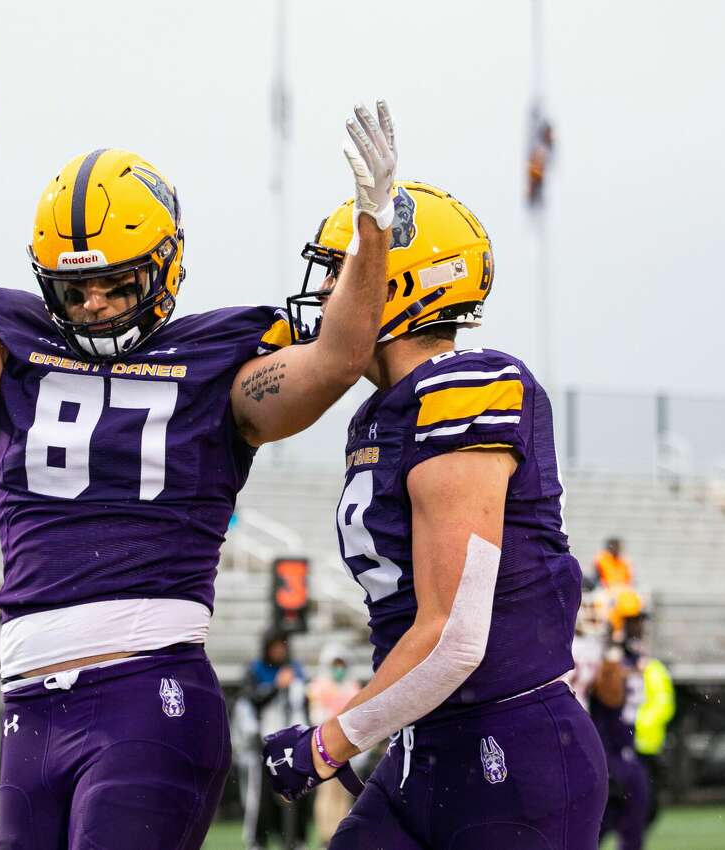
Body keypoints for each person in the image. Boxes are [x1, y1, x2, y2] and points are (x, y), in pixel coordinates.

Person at [0, 18, 398, 848]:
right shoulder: (12, 354)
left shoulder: (216, 365)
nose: (94, 307)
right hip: (30, 714)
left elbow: (337, 358)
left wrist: (373, 227)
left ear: (165, 263)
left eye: (116, 286)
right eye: (74, 291)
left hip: (148, 696)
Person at [263, 186, 608, 849]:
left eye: (344, 269)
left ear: (402, 286)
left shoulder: (464, 387)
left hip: (510, 748)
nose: (331, 289)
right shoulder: (383, 411)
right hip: (423, 749)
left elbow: (456, 634)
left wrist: (326, 744)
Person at [593, 589, 652, 850]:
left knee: (633, 829)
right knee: (595, 830)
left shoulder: (633, 658)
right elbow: (608, 701)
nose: (640, 627)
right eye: (634, 620)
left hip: (628, 753)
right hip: (610, 753)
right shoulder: (608, 660)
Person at [241, 632, 309, 850]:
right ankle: (258, 840)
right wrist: (276, 686)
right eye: (275, 647)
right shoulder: (256, 670)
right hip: (266, 743)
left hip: (292, 743)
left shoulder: (294, 669)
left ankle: (295, 839)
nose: (279, 651)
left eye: (282, 647)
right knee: (262, 798)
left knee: (297, 794)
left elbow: (303, 703)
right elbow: (253, 700)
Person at [307, 645, 361, 846]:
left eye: (342, 664)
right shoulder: (319, 687)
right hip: (325, 747)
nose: (339, 668)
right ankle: (326, 835)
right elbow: (316, 717)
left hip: (347, 749)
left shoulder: (352, 687)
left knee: (344, 794)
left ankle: (340, 833)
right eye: (335, 664)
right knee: (326, 793)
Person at [634, 655, 675, 829]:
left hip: (645, 745)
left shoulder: (652, 671)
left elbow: (663, 705)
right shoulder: (647, 670)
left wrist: (637, 724)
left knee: (645, 799)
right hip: (639, 744)